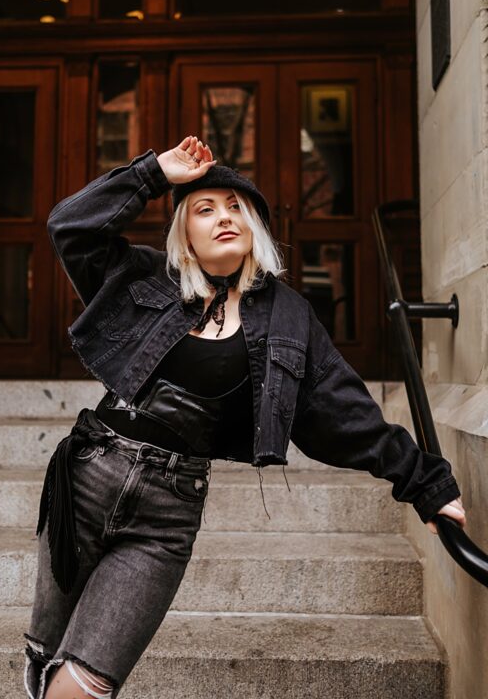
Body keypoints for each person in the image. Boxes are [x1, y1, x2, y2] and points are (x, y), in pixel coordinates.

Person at [25, 136, 467, 699]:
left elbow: (340, 409)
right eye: (204, 210)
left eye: (237, 207)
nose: (223, 217)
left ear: (255, 225)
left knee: (86, 684)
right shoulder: (141, 276)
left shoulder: (289, 315)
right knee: (44, 655)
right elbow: (70, 227)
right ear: (184, 232)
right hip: (86, 478)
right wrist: (157, 173)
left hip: (166, 517)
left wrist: (422, 480)